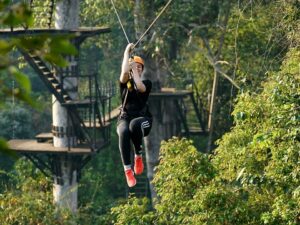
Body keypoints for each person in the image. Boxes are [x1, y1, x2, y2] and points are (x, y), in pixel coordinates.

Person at [117, 43, 152, 187]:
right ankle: (128, 170)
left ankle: (138, 155)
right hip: (124, 117)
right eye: (134, 66)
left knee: (134, 125)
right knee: (124, 130)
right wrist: (126, 52)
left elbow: (139, 86)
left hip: (143, 120)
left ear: (142, 70)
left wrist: (134, 69)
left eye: (140, 67)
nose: (136, 68)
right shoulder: (124, 83)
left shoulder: (146, 83)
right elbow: (124, 73)